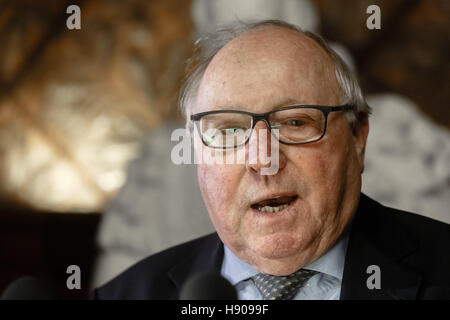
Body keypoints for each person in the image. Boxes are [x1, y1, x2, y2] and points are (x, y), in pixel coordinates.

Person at [91, 20, 450, 300]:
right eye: (230, 131)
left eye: (295, 123)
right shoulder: (125, 294)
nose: (263, 160)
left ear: (358, 137)